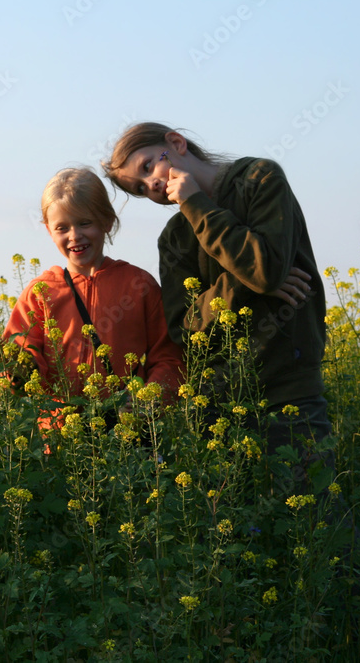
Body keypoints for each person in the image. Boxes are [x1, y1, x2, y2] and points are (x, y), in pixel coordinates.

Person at [100, 123, 331, 460]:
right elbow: (185, 327)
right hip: (220, 402)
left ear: (176, 143)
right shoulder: (175, 238)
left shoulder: (259, 179)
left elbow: (265, 269)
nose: (151, 184)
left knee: (312, 508)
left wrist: (195, 203)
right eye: (140, 187)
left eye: (149, 166)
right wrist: (249, 281)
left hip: (290, 393)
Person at [3, 167, 184, 433]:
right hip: (62, 437)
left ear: (107, 221)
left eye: (85, 223)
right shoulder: (40, 292)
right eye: (62, 228)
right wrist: (18, 371)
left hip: (127, 432)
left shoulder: (139, 285)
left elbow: (168, 357)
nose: (75, 235)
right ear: (48, 230)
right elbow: (19, 351)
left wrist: (148, 398)